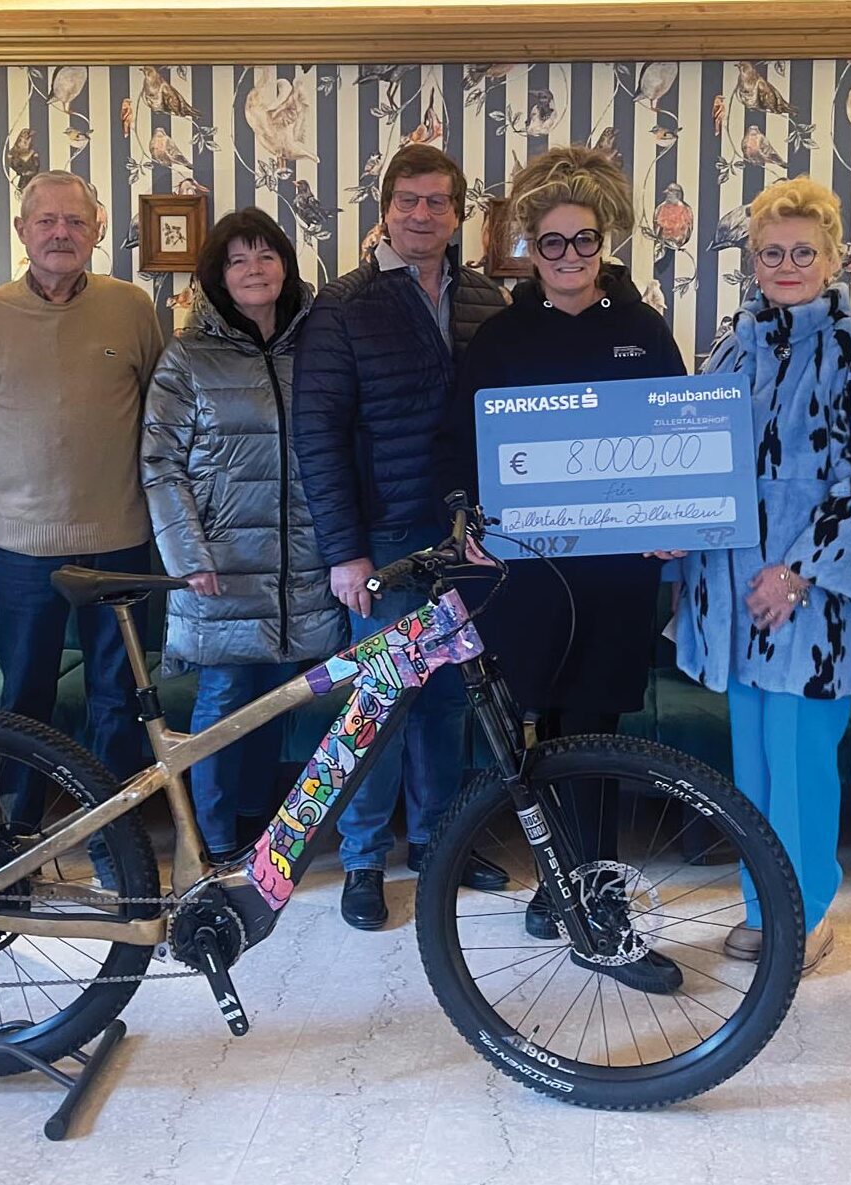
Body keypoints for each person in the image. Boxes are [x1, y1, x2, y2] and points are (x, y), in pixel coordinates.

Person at [439, 145, 687, 993]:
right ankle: (557, 881)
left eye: (584, 240)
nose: (571, 256)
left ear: (604, 241)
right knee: (536, 735)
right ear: (531, 250)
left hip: (616, 578)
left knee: (599, 735)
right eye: (553, 243)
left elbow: (676, 440)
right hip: (528, 578)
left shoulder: (643, 330)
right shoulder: (501, 337)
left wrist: (673, 520)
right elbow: (460, 446)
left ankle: (599, 897)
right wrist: (464, 516)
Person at [670, 177, 851, 975]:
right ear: (754, 260)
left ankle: (804, 912)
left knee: (801, 760)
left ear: (833, 259)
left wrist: (802, 572)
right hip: (738, 597)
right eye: (772, 252)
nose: (787, 265)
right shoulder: (734, 346)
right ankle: (758, 905)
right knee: (754, 765)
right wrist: (672, 530)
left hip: (811, 605)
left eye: (804, 252)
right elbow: (698, 461)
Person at [292, 144, 511, 929]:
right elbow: (317, 434)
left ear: (458, 214)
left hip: (465, 537)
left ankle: (436, 842)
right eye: (408, 200)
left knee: (448, 696)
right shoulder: (344, 304)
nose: (422, 214)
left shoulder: (485, 299)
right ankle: (361, 857)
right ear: (384, 209)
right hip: (381, 538)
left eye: (438, 201)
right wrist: (343, 552)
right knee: (379, 700)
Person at [0, 170, 164, 830]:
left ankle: (113, 834)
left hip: (120, 537)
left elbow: (155, 411)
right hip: (21, 546)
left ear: (98, 231)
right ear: (22, 230)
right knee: (24, 695)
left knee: (118, 695)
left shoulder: (132, 307)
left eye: (75, 221)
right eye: (46, 220)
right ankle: (19, 831)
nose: (61, 233)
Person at [141, 209, 346, 863]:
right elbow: (160, 464)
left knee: (278, 699)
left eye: (265, 255)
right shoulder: (187, 357)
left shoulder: (318, 345)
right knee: (225, 699)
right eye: (237, 260)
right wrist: (187, 556)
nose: (254, 269)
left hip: (301, 565)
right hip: (221, 566)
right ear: (218, 277)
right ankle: (211, 839)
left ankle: (257, 826)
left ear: (285, 265)